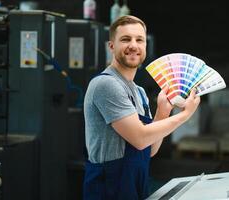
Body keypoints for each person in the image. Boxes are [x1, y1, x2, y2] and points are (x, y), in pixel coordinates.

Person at [83, 15, 200, 200]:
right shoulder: (106, 85)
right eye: (125, 39)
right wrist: (184, 115)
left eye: (139, 40)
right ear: (111, 46)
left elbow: (149, 149)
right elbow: (139, 138)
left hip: (135, 185)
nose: (133, 45)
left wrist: (163, 112)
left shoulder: (139, 92)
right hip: (109, 188)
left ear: (145, 46)